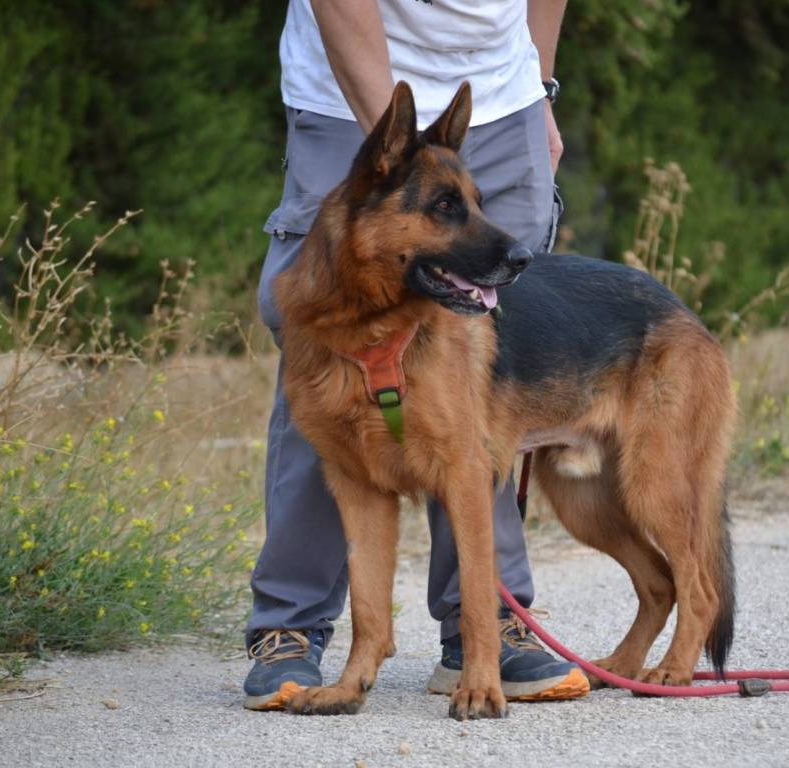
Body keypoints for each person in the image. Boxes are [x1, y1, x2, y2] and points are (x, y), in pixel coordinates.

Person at [244, 0, 587, 711]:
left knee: (473, 404)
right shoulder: (386, 170)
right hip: (348, 92)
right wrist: (396, 152)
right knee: (327, 376)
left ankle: (485, 631)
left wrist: (539, 86)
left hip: (502, 98)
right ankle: (291, 626)